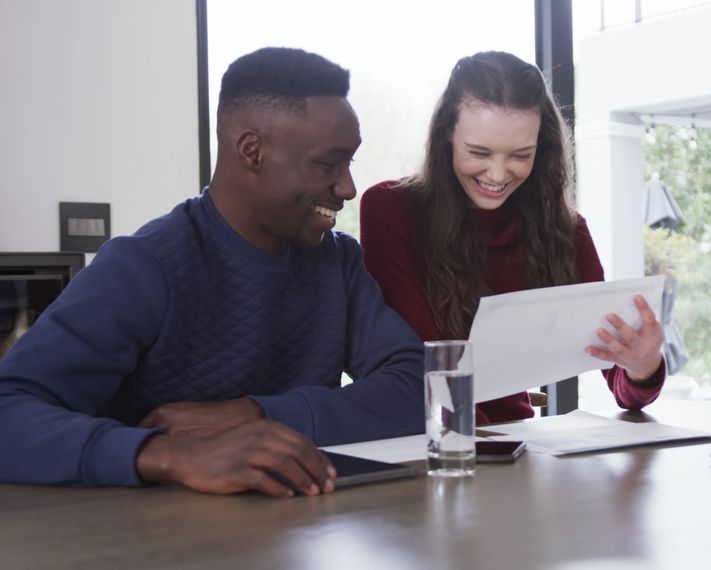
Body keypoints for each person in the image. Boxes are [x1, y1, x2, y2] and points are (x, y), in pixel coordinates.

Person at [0, 47, 425, 496]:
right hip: (152, 531)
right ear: (252, 151)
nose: (348, 188)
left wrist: (259, 414)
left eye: (349, 163)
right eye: (326, 164)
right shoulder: (142, 266)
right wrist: (171, 455)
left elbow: (419, 387)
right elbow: (8, 411)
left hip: (305, 524)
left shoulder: (337, 262)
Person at [359, 51, 665, 424]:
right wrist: (496, 447)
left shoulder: (564, 230)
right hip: (431, 439)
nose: (498, 174)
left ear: (542, 147)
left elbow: (624, 389)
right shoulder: (391, 210)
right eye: (479, 152)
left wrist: (642, 365)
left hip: (514, 440)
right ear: (447, 134)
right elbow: (424, 367)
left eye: (521, 155)